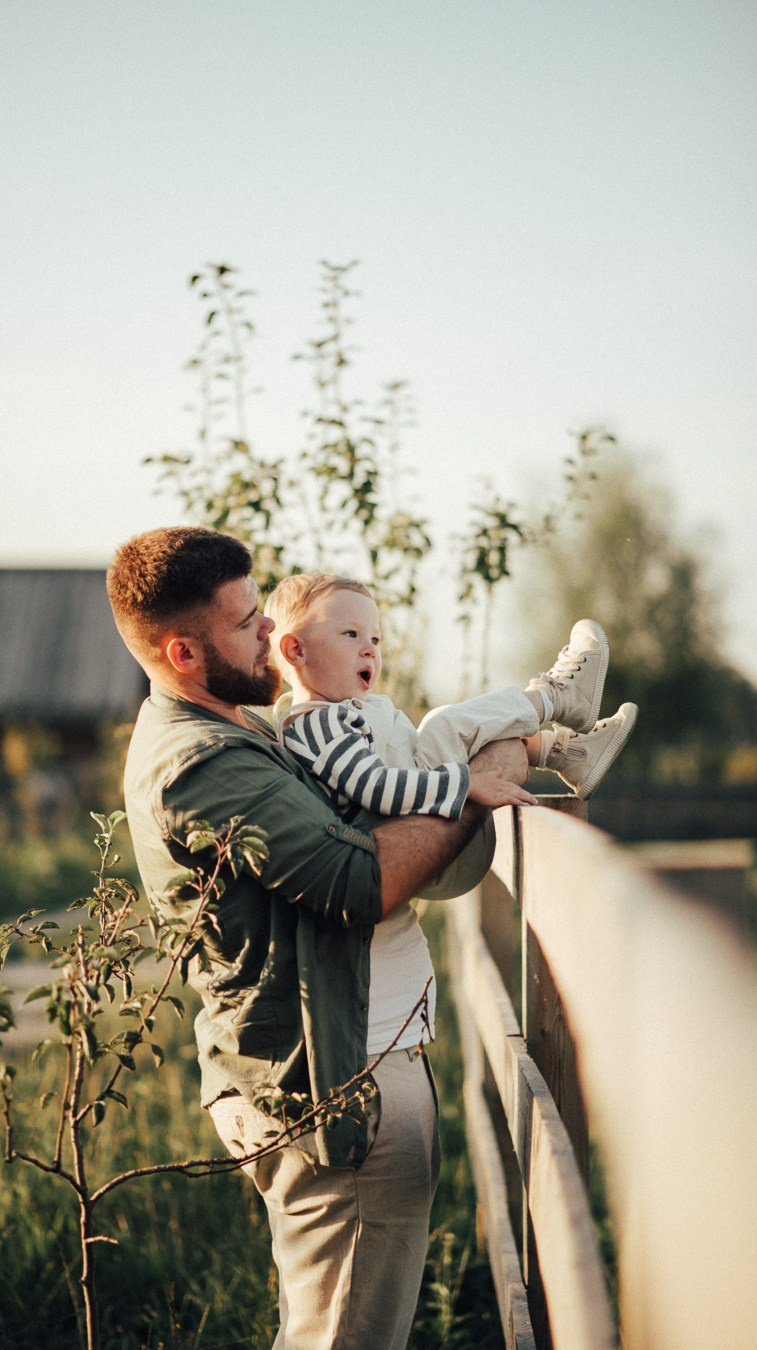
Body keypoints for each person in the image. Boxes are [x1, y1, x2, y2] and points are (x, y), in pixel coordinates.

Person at [106, 526, 533, 1350]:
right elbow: (358, 882)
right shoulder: (203, 763)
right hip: (334, 1089)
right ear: (183, 653)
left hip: (350, 1064)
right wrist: (476, 792)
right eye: (244, 623)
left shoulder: (245, 728)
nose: (269, 631)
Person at [264, 572, 639, 846]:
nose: (370, 649)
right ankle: (554, 697)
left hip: (414, 806)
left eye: (375, 638)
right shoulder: (316, 725)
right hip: (399, 830)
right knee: (445, 724)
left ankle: (567, 753)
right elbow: (375, 787)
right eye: (351, 634)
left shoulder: (341, 711)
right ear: (296, 650)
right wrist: (469, 784)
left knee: (451, 726)